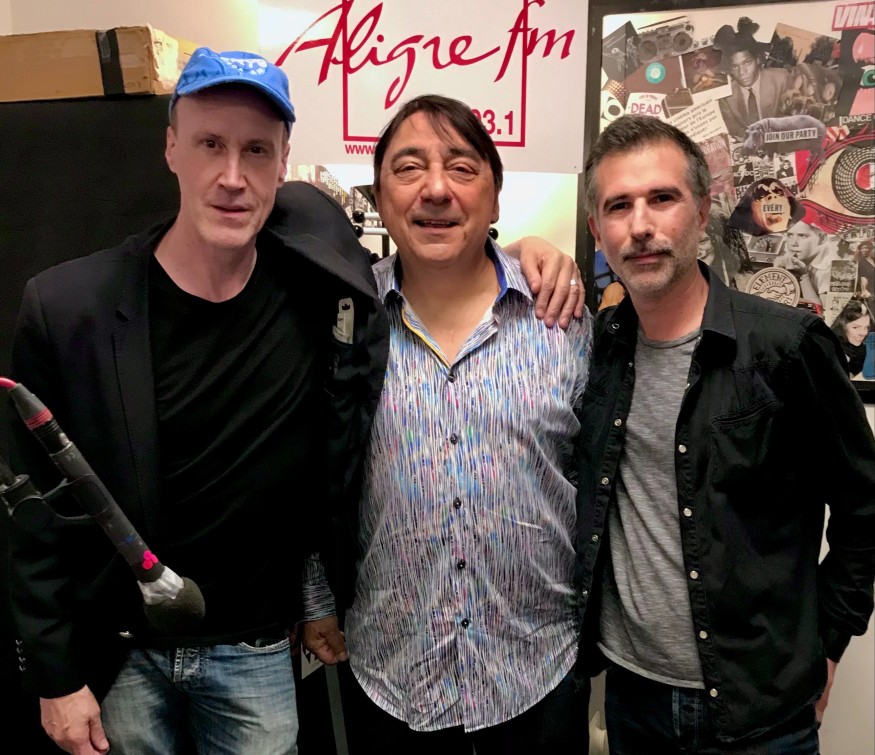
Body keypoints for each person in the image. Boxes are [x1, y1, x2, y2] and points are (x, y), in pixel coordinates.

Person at [5, 49, 582, 755]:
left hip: (291, 654)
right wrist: (54, 671)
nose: (232, 174)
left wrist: (529, 250)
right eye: (209, 144)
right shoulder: (80, 307)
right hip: (130, 650)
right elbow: (30, 511)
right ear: (170, 147)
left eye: (256, 150)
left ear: (283, 165)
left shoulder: (341, 294)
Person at [574, 114, 875, 752]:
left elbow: (865, 507)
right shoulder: (596, 350)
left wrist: (828, 640)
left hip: (761, 711)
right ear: (597, 229)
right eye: (619, 206)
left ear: (703, 209)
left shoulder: (786, 347)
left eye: (662, 197)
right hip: (632, 699)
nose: (641, 225)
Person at [301, 95, 593, 753]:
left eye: (462, 167)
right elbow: (314, 468)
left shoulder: (565, 321)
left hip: (538, 673)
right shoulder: (341, 325)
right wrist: (316, 597)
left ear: (495, 198)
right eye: (409, 168)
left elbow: (601, 476)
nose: (436, 189)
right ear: (380, 199)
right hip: (391, 674)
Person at [715, 25, 790, 141]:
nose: (742, 72)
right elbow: (733, 126)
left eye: (747, 63)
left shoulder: (782, 79)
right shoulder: (726, 94)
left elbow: (792, 118)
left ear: (758, 59)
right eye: (735, 66)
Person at [774, 218, 839, 305]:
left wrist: (803, 276)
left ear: (822, 238)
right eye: (789, 235)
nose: (793, 243)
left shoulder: (836, 268)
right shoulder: (788, 257)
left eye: (803, 236)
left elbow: (821, 312)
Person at [830, 299, 872, 376]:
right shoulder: (830, 348)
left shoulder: (864, 350)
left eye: (866, 327)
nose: (863, 333)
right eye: (855, 327)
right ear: (842, 327)